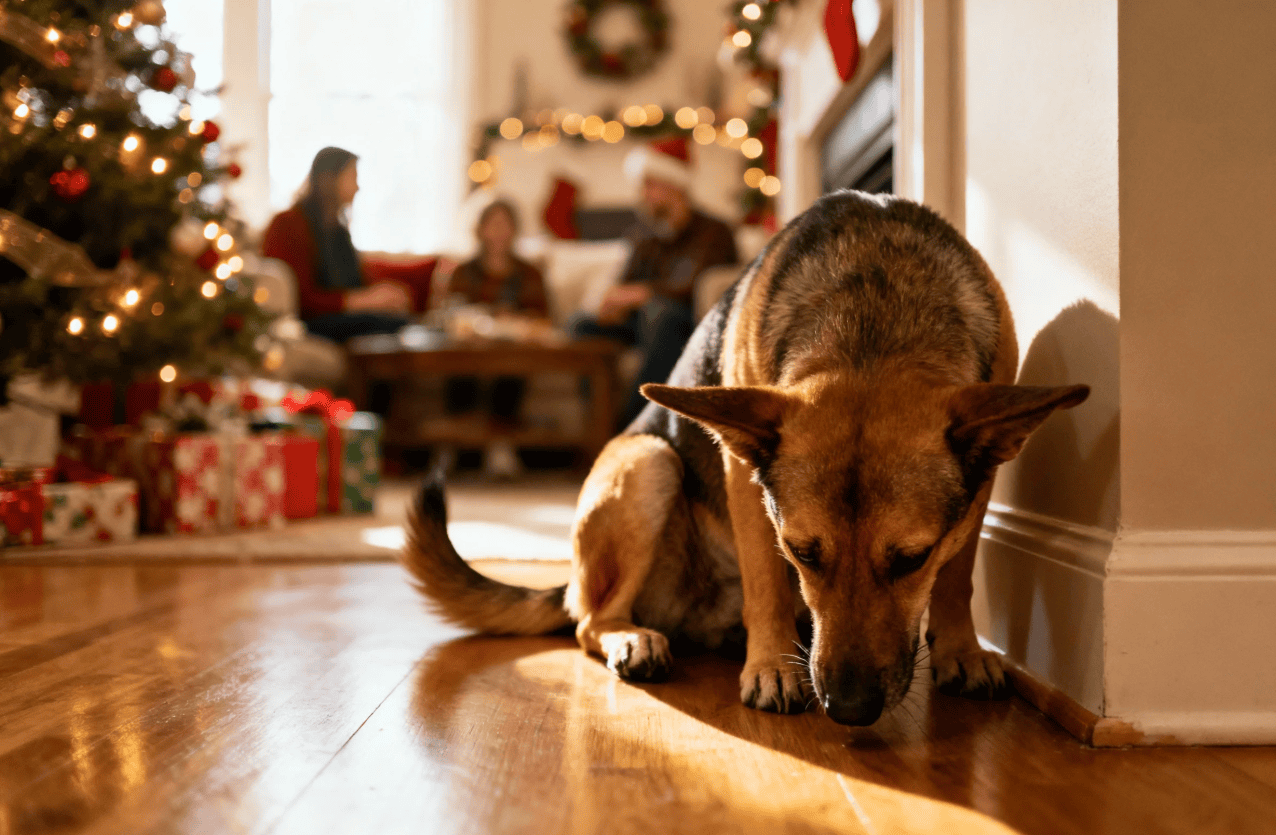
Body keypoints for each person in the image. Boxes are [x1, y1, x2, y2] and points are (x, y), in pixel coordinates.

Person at [569, 137, 737, 428]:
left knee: (660, 313)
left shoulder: (713, 231)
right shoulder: (644, 234)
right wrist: (612, 303)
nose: (642, 194)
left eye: (649, 185)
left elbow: (691, 288)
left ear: (673, 184)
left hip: (687, 322)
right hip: (642, 323)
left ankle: (633, 425)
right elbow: (625, 283)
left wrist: (640, 294)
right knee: (581, 325)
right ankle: (598, 423)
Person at [436, 199, 550, 478]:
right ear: (480, 229)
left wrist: (515, 323)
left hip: (515, 348)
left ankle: (501, 444)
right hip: (469, 347)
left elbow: (542, 318)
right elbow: (450, 315)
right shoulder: (463, 272)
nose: (498, 231)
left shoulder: (529, 274)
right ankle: (454, 444)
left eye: (505, 224)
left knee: (510, 368)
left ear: (514, 230)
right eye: (492, 224)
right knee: (460, 367)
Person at [262, 146, 412, 343]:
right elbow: (301, 301)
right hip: (309, 324)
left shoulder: (337, 230)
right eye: (353, 177)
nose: (358, 187)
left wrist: (382, 296)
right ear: (330, 178)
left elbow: (355, 284)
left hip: (341, 319)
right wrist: (361, 301)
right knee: (392, 326)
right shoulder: (288, 224)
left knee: (399, 323)